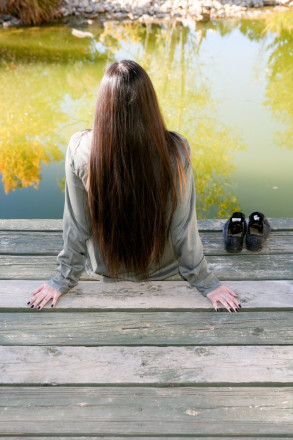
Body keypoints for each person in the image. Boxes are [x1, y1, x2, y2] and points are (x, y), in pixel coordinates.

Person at [26, 59, 241, 313]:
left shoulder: (80, 147)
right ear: (150, 103)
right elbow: (184, 227)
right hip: (166, 270)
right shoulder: (176, 150)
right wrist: (205, 282)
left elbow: (76, 225)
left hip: (104, 271)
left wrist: (63, 279)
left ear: (103, 105)